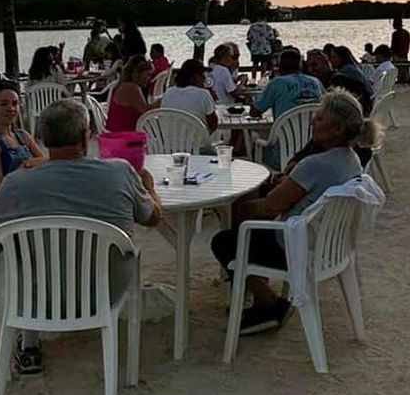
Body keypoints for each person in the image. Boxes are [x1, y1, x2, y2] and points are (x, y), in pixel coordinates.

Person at [0, 100, 162, 375]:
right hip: (106, 289)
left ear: (44, 138)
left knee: (24, 251)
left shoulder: (17, 184)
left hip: (38, 295)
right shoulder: (120, 173)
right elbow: (152, 219)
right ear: (87, 134)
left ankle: (28, 341)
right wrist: (150, 187)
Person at [211, 90, 378, 334]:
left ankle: (268, 302)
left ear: (337, 129)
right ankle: (255, 292)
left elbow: (271, 206)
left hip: (296, 248)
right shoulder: (351, 159)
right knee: (244, 224)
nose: (313, 122)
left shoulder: (315, 164)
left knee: (226, 239)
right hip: (329, 246)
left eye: (319, 119)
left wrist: (235, 206)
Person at [0, 81, 47, 195]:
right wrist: (26, 168)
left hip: (31, 191)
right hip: (10, 202)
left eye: (15, 103)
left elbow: (47, 162)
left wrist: (28, 164)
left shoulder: (22, 135)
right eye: (4, 104)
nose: (11, 108)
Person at [252, 47, 324, 121]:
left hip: (286, 131)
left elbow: (255, 113)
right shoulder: (316, 82)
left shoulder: (277, 83)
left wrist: (255, 100)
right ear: (300, 65)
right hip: (315, 130)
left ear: (279, 66)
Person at [161, 59, 218, 132]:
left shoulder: (168, 92)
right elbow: (213, 126)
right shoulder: (203, 94)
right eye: (202, 74)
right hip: (197, 142)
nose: (204, 78)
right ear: (193, 77)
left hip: (171, 140)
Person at [105, 55, 158, 132]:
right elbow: (146, 113)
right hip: (123, 135)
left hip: (114, 131)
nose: (149, 79)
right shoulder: (132, 88)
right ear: (137, 73)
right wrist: (161, 101)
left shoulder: (122, 84)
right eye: (147, 75)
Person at [391, 13, 410, 83]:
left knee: (399, 75)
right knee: (405, 74)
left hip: (397, 57)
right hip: (405, 56)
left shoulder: (395, 34)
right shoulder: (407, 33)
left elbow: (393, 47)